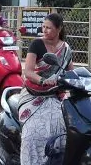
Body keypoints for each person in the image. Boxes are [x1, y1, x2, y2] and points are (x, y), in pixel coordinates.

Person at [16, 13, 73, 165]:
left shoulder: (66, 49)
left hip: (56, 95)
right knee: (32, 133)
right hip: (33, 94)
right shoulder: (37, 44)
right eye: (43, 27)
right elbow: (28, 72)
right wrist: (43, 80)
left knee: (65, 128)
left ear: (59, 29)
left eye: (48, 28)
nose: (44, 30)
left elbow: (71, 72)